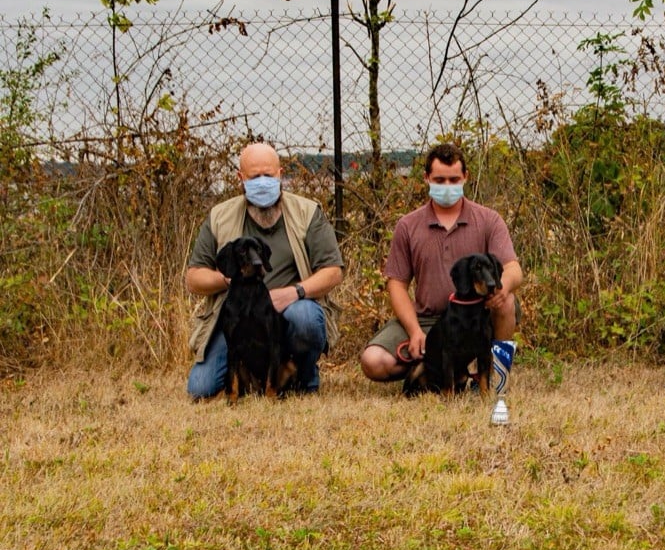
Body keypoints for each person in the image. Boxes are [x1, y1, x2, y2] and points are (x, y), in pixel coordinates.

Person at [185, 142, 344, 399]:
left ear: (280, 174)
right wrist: (231, 278)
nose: (262, 182)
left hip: (287, 312)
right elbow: (194, 278)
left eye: (268, 176)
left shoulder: (307, 212)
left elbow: (333, 271)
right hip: (237, 315)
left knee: (305, 318)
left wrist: (293, 293)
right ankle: (244, 384)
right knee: (200, 389)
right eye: (254, 177)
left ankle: (302, 377)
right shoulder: (219, 216)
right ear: (240, 178)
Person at [360, 142, 523, 383]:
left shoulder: (489, 220)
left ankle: (494, 377)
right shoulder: (408, 225)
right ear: (426, 178)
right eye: (439, 180)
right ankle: (437, 369)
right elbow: (396, 285)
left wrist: (501, 288)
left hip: (476, 315)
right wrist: (414, 331)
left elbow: (513, 269)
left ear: (465, 177)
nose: (447, 186)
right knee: (373, 361)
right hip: (427, 320)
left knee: (507, 302)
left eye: (454, 180)